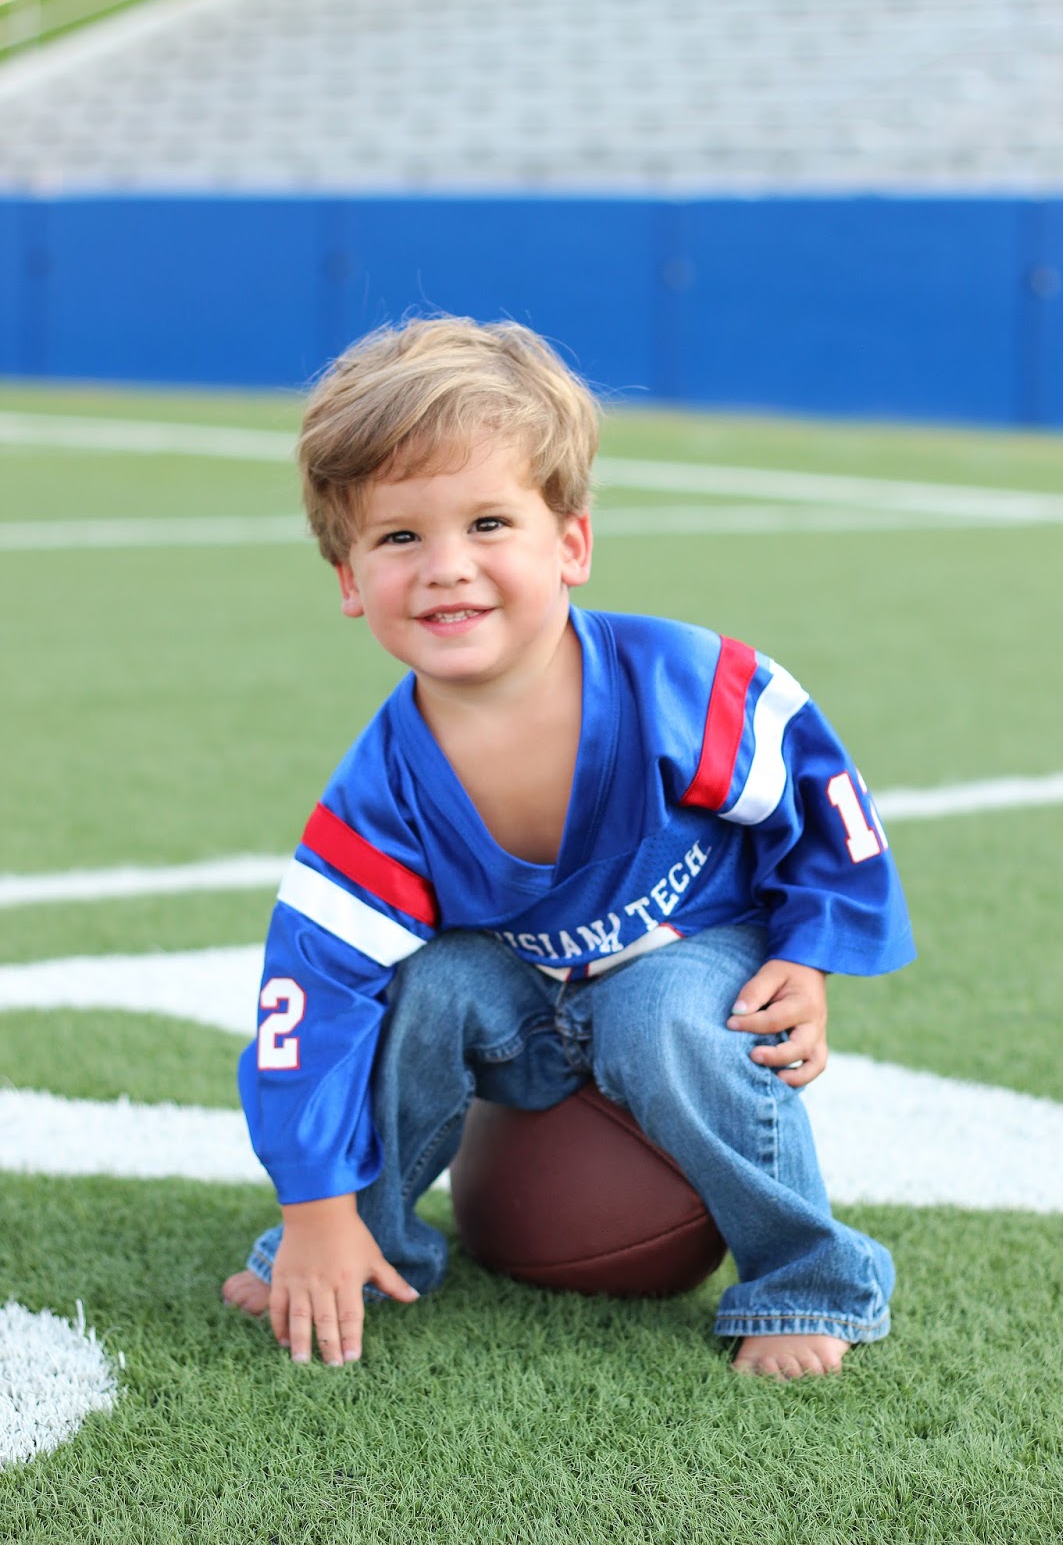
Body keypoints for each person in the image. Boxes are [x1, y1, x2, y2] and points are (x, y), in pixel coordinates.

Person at [222, 315, 915, 1380]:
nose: (447, 568)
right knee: (424, 990)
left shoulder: (679, 685)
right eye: (400, 538)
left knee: (662, 1017)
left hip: (691, 953)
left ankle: (808, 1276)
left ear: (571, 545)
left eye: (488, 522)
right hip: (523, 994)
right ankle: (361, 1240)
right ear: (349, 577)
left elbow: (821, 797)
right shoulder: (380, 793)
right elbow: (307, 999)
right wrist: (310, 1204)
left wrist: (808, 952)